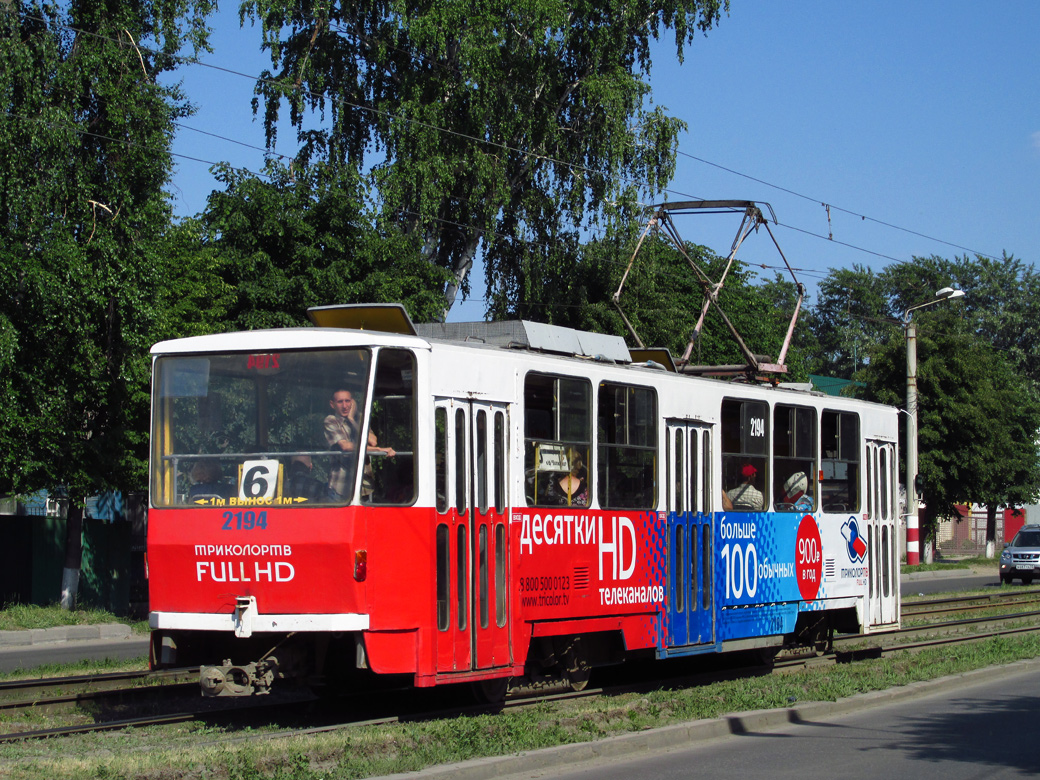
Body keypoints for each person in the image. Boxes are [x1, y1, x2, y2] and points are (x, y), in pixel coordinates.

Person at [324, 389, 395, 499]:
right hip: (340, 487)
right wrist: (378, 450)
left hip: (364, 486)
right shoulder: (331, 420)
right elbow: (345, 446)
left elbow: (372, 441)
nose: (344, 406)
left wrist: (352, 420)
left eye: (347, 401)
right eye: (340, 402)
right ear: (332, 405)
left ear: (353, 402)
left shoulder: (359, 418)